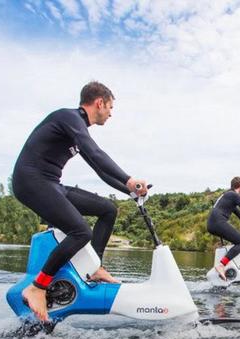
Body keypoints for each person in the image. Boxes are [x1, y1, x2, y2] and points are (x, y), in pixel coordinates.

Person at [12, 81, 148, 322]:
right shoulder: (69, 117)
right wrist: (129, 180)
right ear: (100, 102)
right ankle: (38, 287)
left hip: (51, 183)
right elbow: (96, 154)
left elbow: (100, 170)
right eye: (110, 107)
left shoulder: (77, 129)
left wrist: (130, 192)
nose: (111, 113)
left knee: (107, 209)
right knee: (80, 232)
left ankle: (93, 268)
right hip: (31, 181)